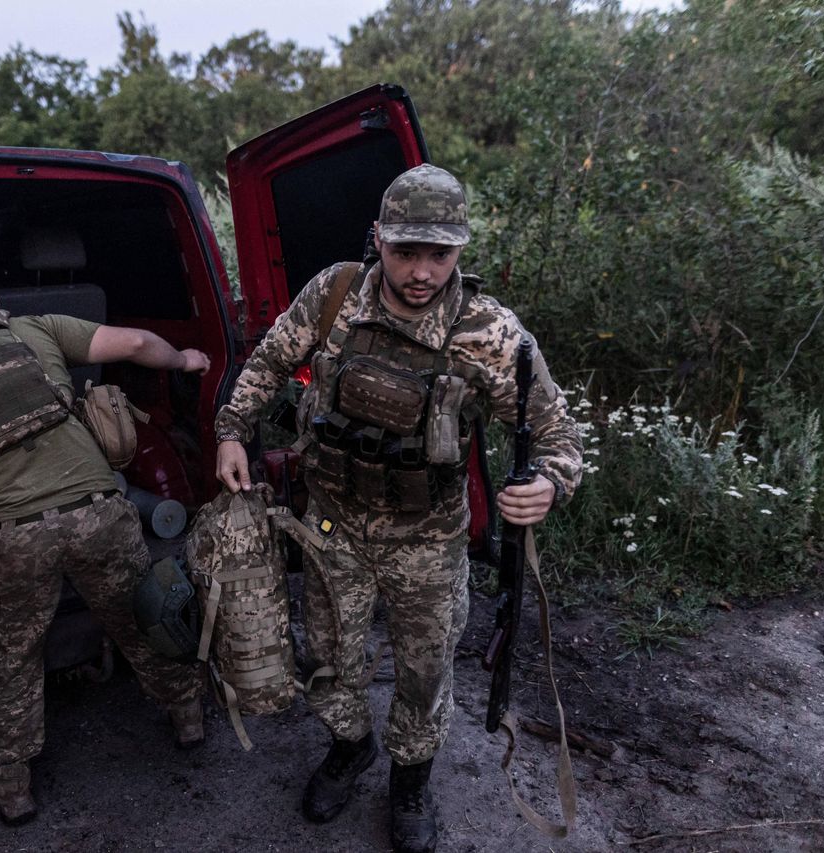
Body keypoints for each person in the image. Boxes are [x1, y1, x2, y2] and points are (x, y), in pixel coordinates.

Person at [213, 165, 582, 853]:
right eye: (405, 250)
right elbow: (266, 363)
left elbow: (557, 434)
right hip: (331, 523)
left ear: (460, 250)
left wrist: (549, 483)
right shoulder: (334, 295)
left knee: (424, 668)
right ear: (377, 238)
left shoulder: (488, 332)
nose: (420, 271)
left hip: (427, 539)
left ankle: (410, 778)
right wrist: (233, 430)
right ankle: (350, 747)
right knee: (327, 653)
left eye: (438, 254)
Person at [0, 263, 209, 826]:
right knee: (143, 618)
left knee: (13, 659)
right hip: (97, 515)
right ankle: (188, 717)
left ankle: (12, 788)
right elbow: (136, 343)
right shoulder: (38, 329)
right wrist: (185, 359)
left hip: (11, 539)